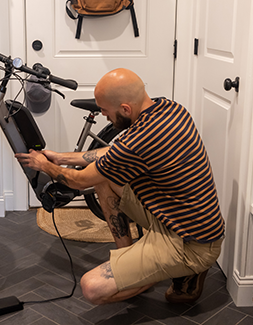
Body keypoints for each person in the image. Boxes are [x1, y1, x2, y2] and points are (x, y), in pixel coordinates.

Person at [15, 68, 225, 305]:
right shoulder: (169, 108)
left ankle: (181, 270)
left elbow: (79, 181)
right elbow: (113, 153)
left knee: (92, 288)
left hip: (191, 244)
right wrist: (61, 157)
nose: (104, 116)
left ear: (125, 108)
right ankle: (130, 258)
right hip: (171, 217)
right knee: (104, 178)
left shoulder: (141, 139)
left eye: (105, 111)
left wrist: (45, 165)